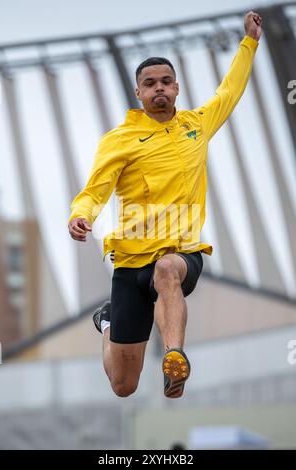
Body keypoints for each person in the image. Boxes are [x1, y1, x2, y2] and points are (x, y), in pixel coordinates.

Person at [68, 12, 262, 399]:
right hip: (129, 263)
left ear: (177, 88)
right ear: (138, 93)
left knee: (167, 268)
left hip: (179, 252)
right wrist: (81, 215)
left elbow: (230, 91)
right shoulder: (119, 140)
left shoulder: (197, 125)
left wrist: (250, 43)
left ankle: (175, 357)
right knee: (123, 385)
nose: (159, 88)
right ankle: (107, 322)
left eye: (166, 82)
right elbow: (96, 189)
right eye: (150, 83)